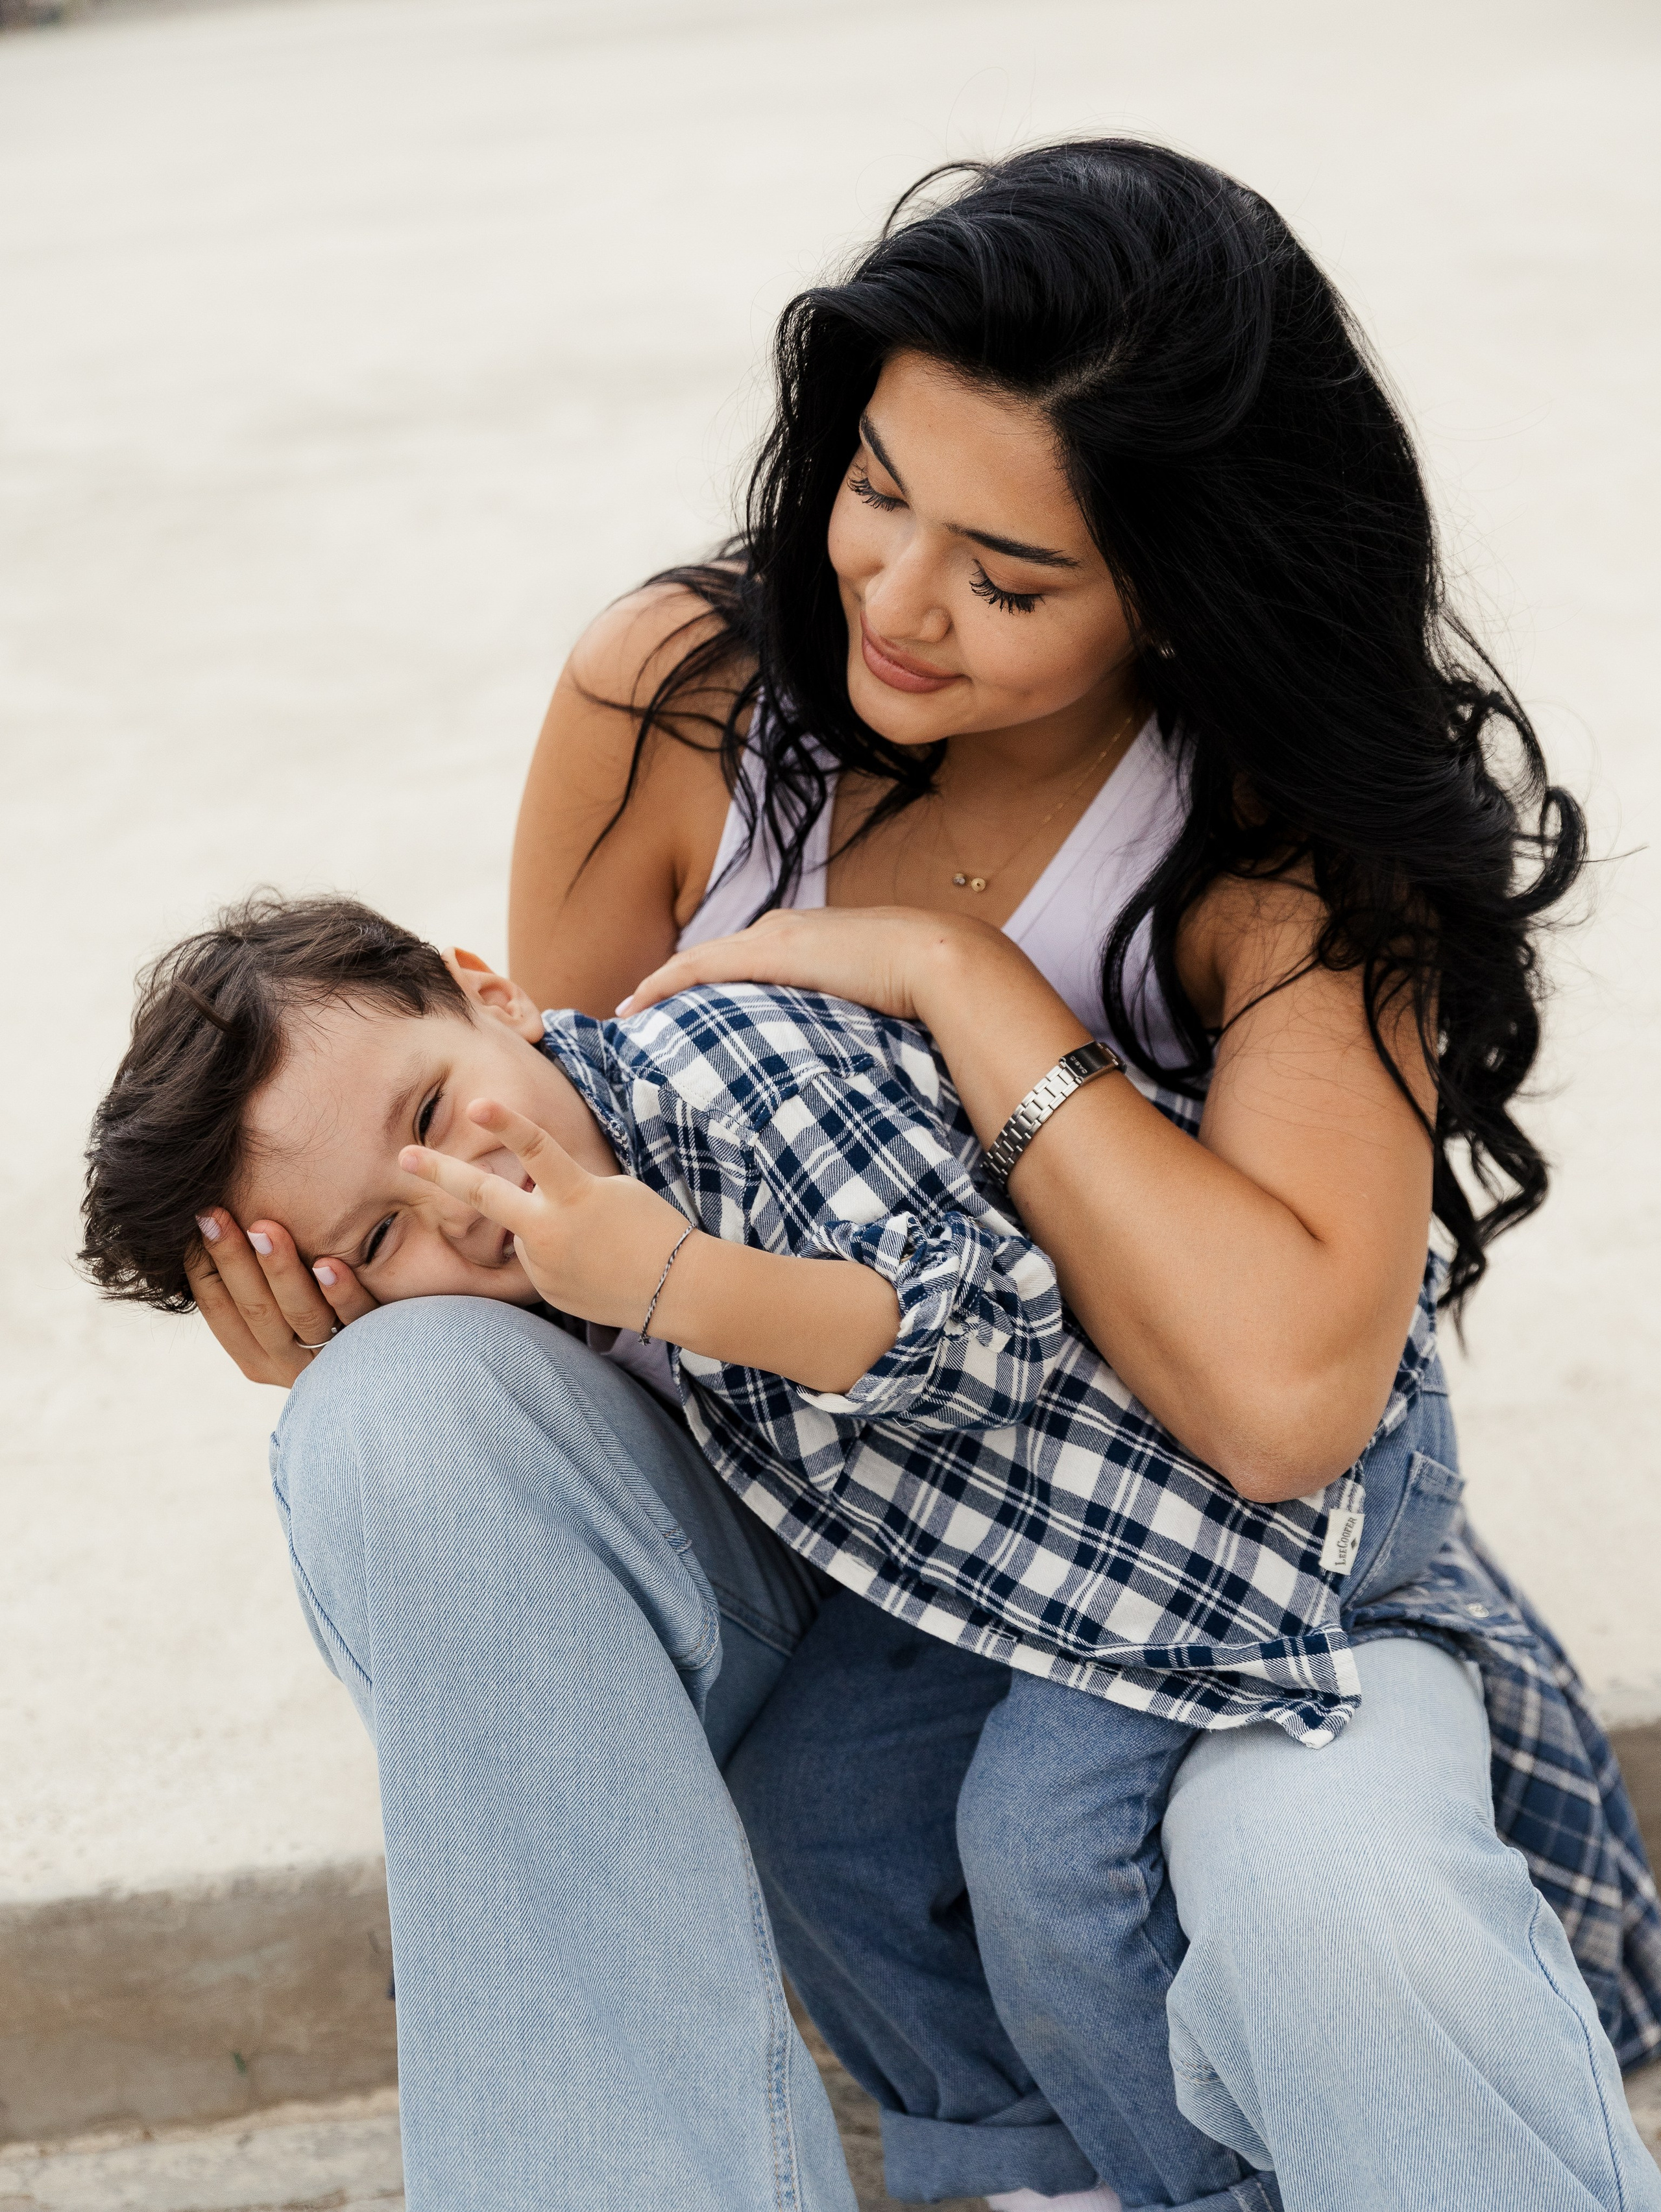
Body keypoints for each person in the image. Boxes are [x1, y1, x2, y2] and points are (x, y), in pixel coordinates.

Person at [139, 141, 1661, 2211]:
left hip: (1201, 1558)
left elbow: (1286, 1406)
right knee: (405, 1416)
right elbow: (565, 1164)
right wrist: (371, 1293)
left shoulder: (1283, 841)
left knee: (1334, 1908)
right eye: (875, 489)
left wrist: (969, 991)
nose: (895, 601)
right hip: (822, 1522)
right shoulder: (678, 695)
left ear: (1182, 591)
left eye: (1011, 578)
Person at [83, 887, 1468, 2206]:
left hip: (1192, 1495)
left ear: (492, 995)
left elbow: (995, 1319)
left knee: (1043, 1852)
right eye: (379, 1232)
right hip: (986, 1544)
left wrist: (673, 1280)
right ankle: (1048, 2164)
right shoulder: (538, 1260)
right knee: (818, 1813)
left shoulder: (730, 1070)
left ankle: (1207, 2194)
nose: (454, 1194)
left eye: (434, 1111)